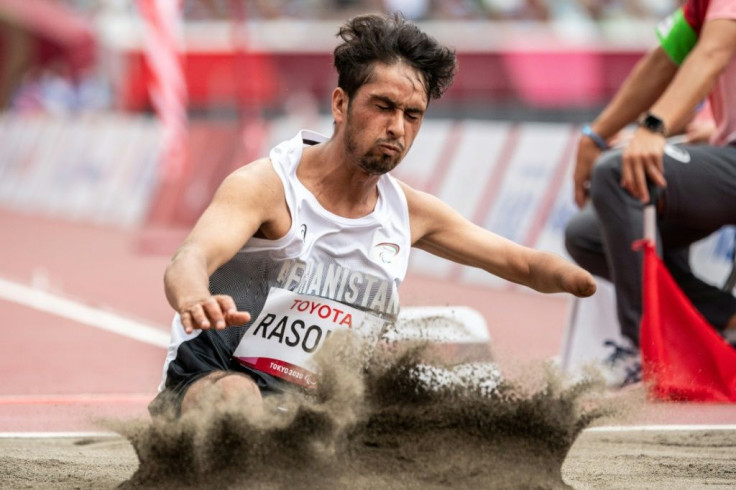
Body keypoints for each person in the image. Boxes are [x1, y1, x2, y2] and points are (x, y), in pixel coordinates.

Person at [151, 13, 596, 417]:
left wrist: (576, 277)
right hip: (210, 383)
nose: (397, 128)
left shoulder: (409, 212)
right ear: (341, 104)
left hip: (314, 411)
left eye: (412, 115)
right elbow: (190, 258)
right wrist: (194, 297)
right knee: (238, 402)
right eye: (383, 106)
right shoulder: (267, 187)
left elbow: (520, 263)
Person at [565, 0, 736, 385]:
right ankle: (725, 318)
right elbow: (663, 62)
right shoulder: (702, 6)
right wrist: (595, 134)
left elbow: (712, 53)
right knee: (586, 235)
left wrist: (654, 128)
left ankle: (652, 356)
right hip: (728, 155)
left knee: (619, 170)